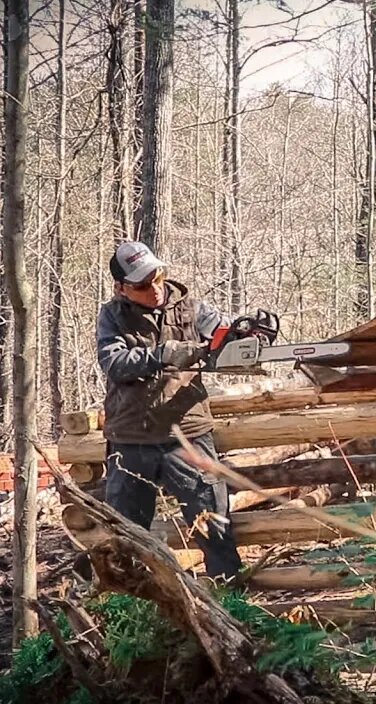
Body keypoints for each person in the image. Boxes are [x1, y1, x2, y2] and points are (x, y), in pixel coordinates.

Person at [95, 241, 242, 579]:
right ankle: (133, 610)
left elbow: (223, 332)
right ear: (121, 287)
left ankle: (231, 598)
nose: (155, 290)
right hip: (132, 436)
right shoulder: (112, 316)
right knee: (127, 534)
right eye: (143, 285)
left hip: (187, 434)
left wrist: (241, 333)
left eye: (158, 278)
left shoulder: (190, 308)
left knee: (214, 524)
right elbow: (114, 362)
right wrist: (163, 354)